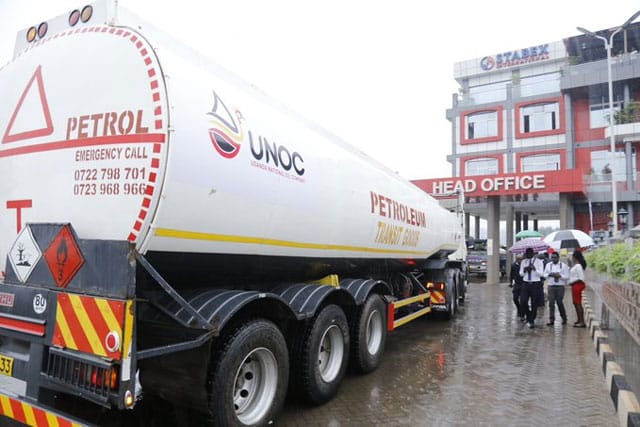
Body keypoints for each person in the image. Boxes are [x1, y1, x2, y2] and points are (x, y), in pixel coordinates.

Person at [519, 247, 545, 329]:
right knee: (523, 301)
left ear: (533, 253)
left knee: (534, 303)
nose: (527, 255)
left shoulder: (539, 262)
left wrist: (534, 269)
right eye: (526, 253)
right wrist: (525, 270)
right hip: (525, 283)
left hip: (535, 283)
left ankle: (532, 320)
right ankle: (529, 315)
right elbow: (521, 274)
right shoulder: (523, 261)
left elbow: (541, 274)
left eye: (529, 253)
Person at [542, 251, 569, 326]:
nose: (553, 259)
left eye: (555, 257)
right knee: (551, 303)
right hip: (551, 286)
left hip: (560, 286)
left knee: (559, 302)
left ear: (558, 258)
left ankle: (564, 318)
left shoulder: (563, 266)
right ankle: (551, 320)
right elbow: (544, 275)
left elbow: (567, 276)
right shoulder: (548, 265)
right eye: (552, 257)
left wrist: (559, 276)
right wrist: (550, 274)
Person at [568, 250, 587, 328]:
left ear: (575, 257)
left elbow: (581, 278)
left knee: (578, 303)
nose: (571, 258)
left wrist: (572, 282)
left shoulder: (578, 266)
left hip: (577, 285)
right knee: (575, 303)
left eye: (572, 256)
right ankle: (579, 319)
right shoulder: (576, 265)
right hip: (575, 285)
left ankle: (582, 322)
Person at [509, 254, 525, 321]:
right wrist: (510, 282)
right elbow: (511, 274)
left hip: (524, 284)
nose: (520, 260)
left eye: (521, 259)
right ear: (516, 259)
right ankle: (519, 308)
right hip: (516, 284)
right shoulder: (513, 265)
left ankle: (522, 313)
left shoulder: (524, 265)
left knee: (523, 300)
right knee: (515, 298)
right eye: (518, 259)